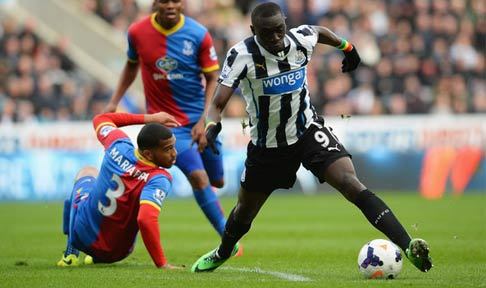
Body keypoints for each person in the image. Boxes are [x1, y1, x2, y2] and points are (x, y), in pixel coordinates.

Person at [191, 2, 432, 273]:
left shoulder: (300, 38)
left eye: (279, 30)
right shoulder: (242, 54)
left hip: (307, 130)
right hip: (268, 146)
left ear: (285, 23)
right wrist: (212, 124)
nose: (275, 38)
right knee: (244, 212)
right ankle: (224, 251)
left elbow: (320, 31)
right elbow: (219, 102)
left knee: (351, 183)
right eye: (266, 33)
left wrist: (348, 48)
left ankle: (408, 245)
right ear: (252, 30)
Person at [105, 0, 228, 237]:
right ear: (155, 4)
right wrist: (114, 100)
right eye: (164, 0)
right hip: (166, 125)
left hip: (198, 119)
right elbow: (131, 66)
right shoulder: (137, 32)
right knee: (198, 177)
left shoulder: (198, 34)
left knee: (217, 180)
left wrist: (204, 120)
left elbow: (213, 77)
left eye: (176, 0)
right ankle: (228, 237)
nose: (170, 5)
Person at [57, 111, 183, 269]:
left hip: (81, 235)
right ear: (148, 154)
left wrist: (150, 118)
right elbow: (145, 219)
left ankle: (70, 253)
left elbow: (100, 118)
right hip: (117, 252)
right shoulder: (158, 178)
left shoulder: (118, 144)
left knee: (87, 173)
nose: (174, 153)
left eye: (173, 147)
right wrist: (162, 263)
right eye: (168, 149)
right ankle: (91, 256)